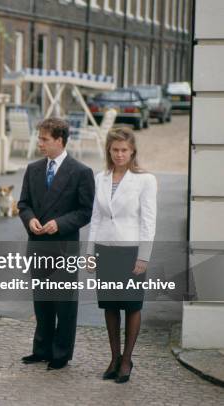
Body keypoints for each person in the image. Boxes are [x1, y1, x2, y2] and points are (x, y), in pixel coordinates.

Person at [18, 117, 95, 370]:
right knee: (42, 301)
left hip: (63, 245)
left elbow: (85, 212)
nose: (39, 143)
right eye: (39, 138)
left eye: (44, 139)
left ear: (60, 140)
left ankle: (61, 354)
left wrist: (59, 224)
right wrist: (29, 221)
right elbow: (24, 204)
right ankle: (41, 349)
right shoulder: (33, 169)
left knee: (64, 303)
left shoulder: (81, 172)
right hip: (38, 244)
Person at [86, 127, 157, 383]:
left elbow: (149, 222)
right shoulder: (100, 177)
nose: (119, 154)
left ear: (132, 151)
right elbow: (95, 217)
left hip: (131, 252)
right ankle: (114, 357)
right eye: (115, 150)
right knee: (110, 305)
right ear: (109, 150)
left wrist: (144, 256)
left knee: (132, 305)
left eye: (124, 150)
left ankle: (127, 359)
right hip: (105, 250)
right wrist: (90, 253)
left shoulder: (145, 180)